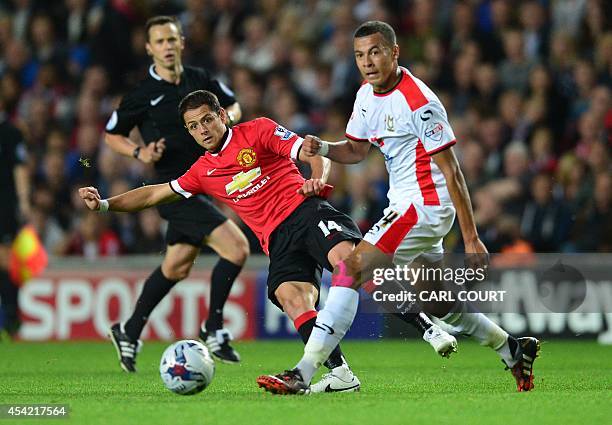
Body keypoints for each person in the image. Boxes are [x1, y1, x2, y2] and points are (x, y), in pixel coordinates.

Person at [81, 89, 456, 393]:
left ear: (223, 116)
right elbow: (153, 194)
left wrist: (316, 177)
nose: (203, 129)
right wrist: (105, 206)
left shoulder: (257, 131)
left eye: (208, 119)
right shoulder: (201, 171)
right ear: (189, 132)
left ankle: (429, 328)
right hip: (276, 241)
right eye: (194, 126)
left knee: (351, 262)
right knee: (293, 298)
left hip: (307, 213)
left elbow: (311, 152)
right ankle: (340, 373)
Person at [258, 21, 540, 395]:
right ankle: (511, 348)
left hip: (423, 205)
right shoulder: (364, 96)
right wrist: (323, 147)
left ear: (394, 52)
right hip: (409, 206)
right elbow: (357, 150)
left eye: (375, 52)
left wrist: (471, 238)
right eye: (359, 55)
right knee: (437, 302)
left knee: (350, 268)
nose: (367, 62)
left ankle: (304, 371)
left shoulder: (419, 102)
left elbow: (452, 171)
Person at [103, 16, 249, 372]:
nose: (167, 46)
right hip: (175, 189)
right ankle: (212, 327)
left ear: (181, 42)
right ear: (149, 48)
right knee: (237, 248)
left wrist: (226, 118)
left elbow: (234, 106)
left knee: (177, 266)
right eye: (159, 41)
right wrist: (139, 153)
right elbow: (111, 134)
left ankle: (129, 329)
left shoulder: (200, 79)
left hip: (207, 180)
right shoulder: (141, 94)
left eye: (172, 39)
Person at [0, 97, 31, 338]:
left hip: (4, 205)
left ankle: (11, 316)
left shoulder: (10, 132)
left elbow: (20, 167)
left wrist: (23, 202)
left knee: (6, 259)